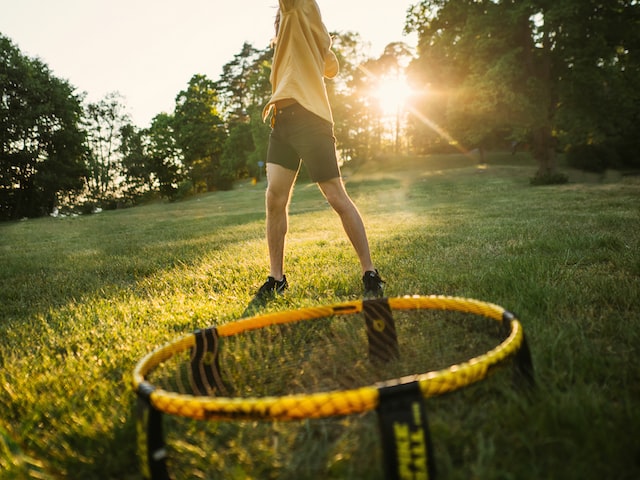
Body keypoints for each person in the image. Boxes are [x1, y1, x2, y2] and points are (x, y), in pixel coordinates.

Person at [254, 0, 384, 301]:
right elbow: (328, 64)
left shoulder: (298, 8)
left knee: (336, 196)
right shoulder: (298, 36)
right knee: (274, 195)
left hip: (311, 120)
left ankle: (369, 272)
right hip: (281, 121)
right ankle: (277, 277)